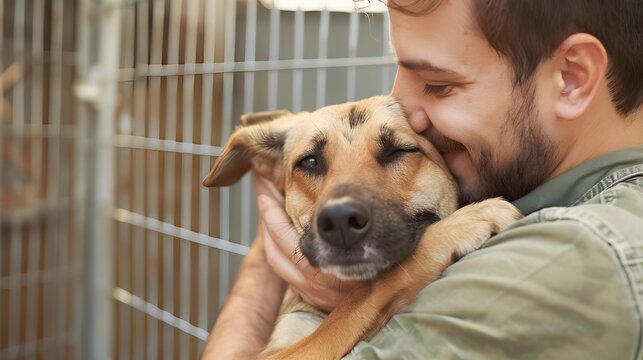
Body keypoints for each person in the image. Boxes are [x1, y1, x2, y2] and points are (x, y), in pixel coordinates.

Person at [202, 0, 643, 358]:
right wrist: (275, 247)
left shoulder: (573, 255)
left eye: (438, 83)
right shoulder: (539, 203)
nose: (406, 108)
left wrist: (375, 286)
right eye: (311, 165)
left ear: (571, 78)